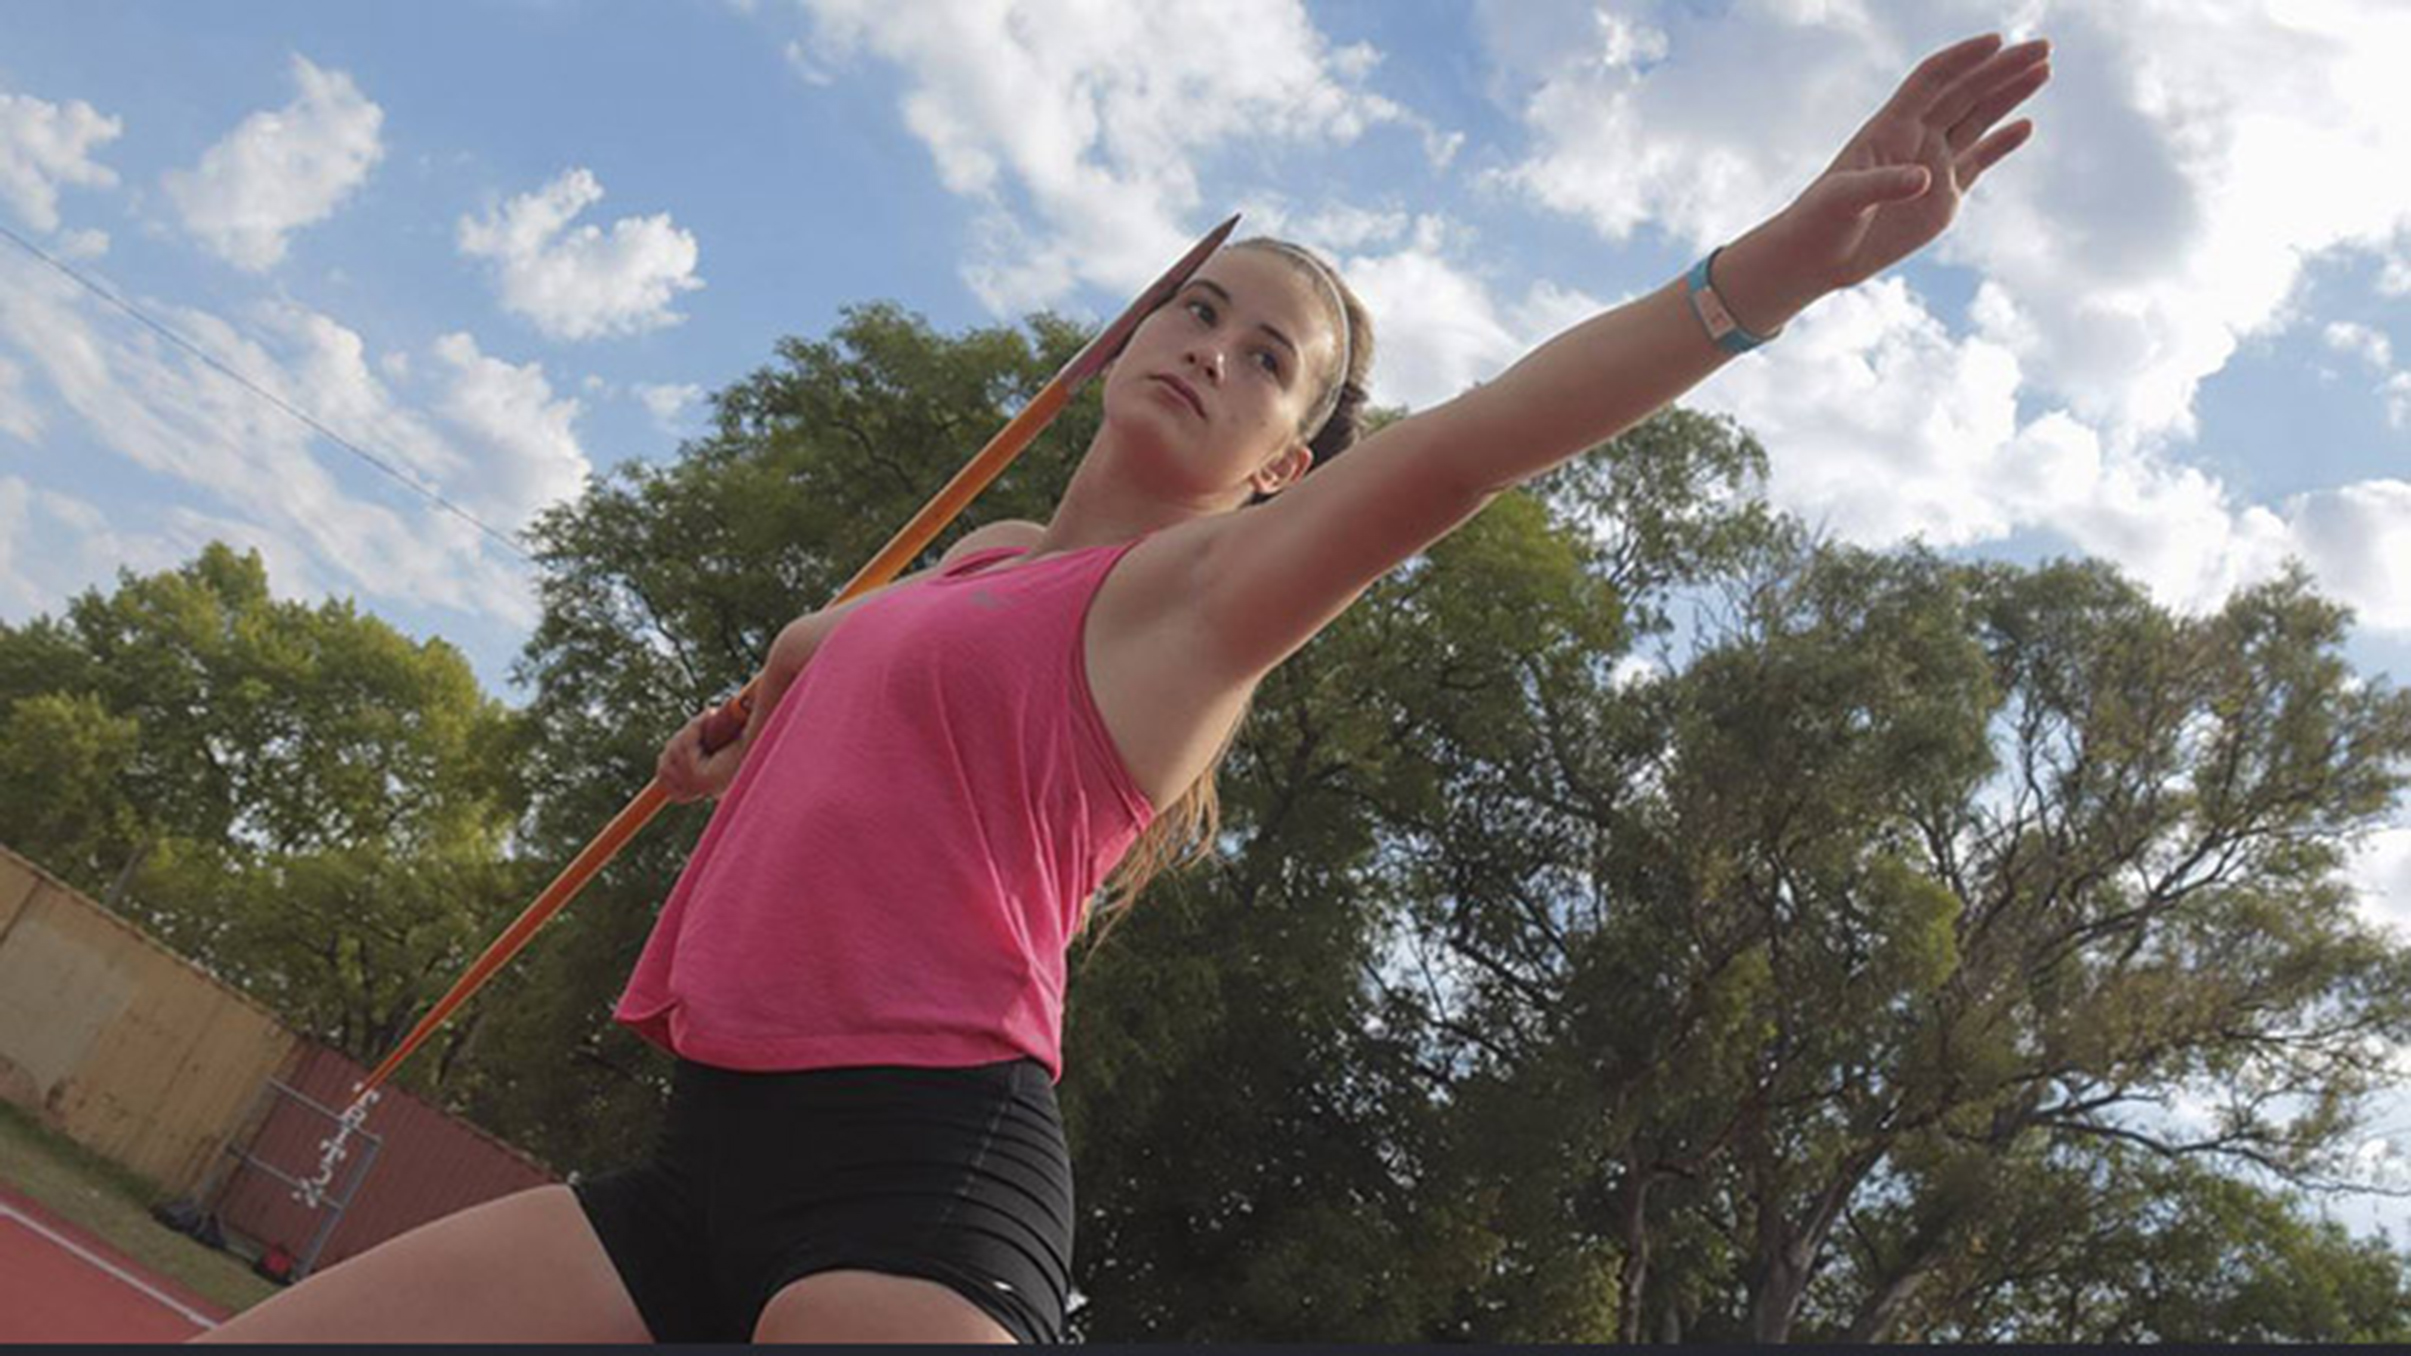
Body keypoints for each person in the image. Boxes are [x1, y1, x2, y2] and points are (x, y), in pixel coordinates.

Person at [196, 31, 2049, 1345]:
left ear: (1280, 466)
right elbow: (819, 679)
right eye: (1199, 312)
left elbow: (1475, 447)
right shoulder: (982, 565)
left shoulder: (1197, 598)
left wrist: (1769, 278)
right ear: (1126, 337)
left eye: (1270, 362)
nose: (1214, 351)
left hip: (907, 1191)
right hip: (698, 1177)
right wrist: (727, 749)